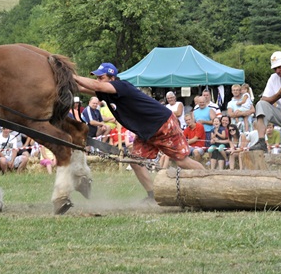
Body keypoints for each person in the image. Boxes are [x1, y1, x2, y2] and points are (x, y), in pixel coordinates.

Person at [75, 63, 204, 201]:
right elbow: (81, 88)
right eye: (97, 77)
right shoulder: (106, 93)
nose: (98, 80)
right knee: (135, 161)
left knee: (182, 161)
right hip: (146, 131)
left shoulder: (121, 85)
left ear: (112, 78)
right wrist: (61, 79)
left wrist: (73, 75)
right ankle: (153, 195)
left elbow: (95, 86)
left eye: (101, 77)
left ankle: (210, 179)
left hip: (162, 124)